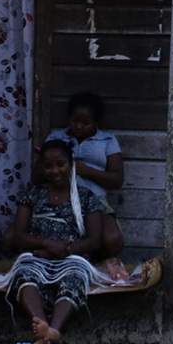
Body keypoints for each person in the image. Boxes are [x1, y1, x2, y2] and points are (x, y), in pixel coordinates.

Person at [5, 139, 117, 344]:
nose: (54, 170)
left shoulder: (86, 197)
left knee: (74, 278)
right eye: (48, 166)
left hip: (71, 259)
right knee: (24, 276)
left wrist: (64, 251)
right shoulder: (32, 195)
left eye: (60, 164)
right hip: (37, 257)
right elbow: (18, 236)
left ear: (71, 164)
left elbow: (94, 240)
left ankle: (54, 329)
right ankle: (42, 327)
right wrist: (47, 245)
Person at [44, 91, 124, 259]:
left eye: (86, 122)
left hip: (96, 200)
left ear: (96, 122)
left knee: (112, 239)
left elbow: (117, 179)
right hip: (61, 197)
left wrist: (87, 171)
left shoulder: (107, 140)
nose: (79, 126)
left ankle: (97, 263)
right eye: (75, 121)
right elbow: (40, 171)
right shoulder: (56, 137)